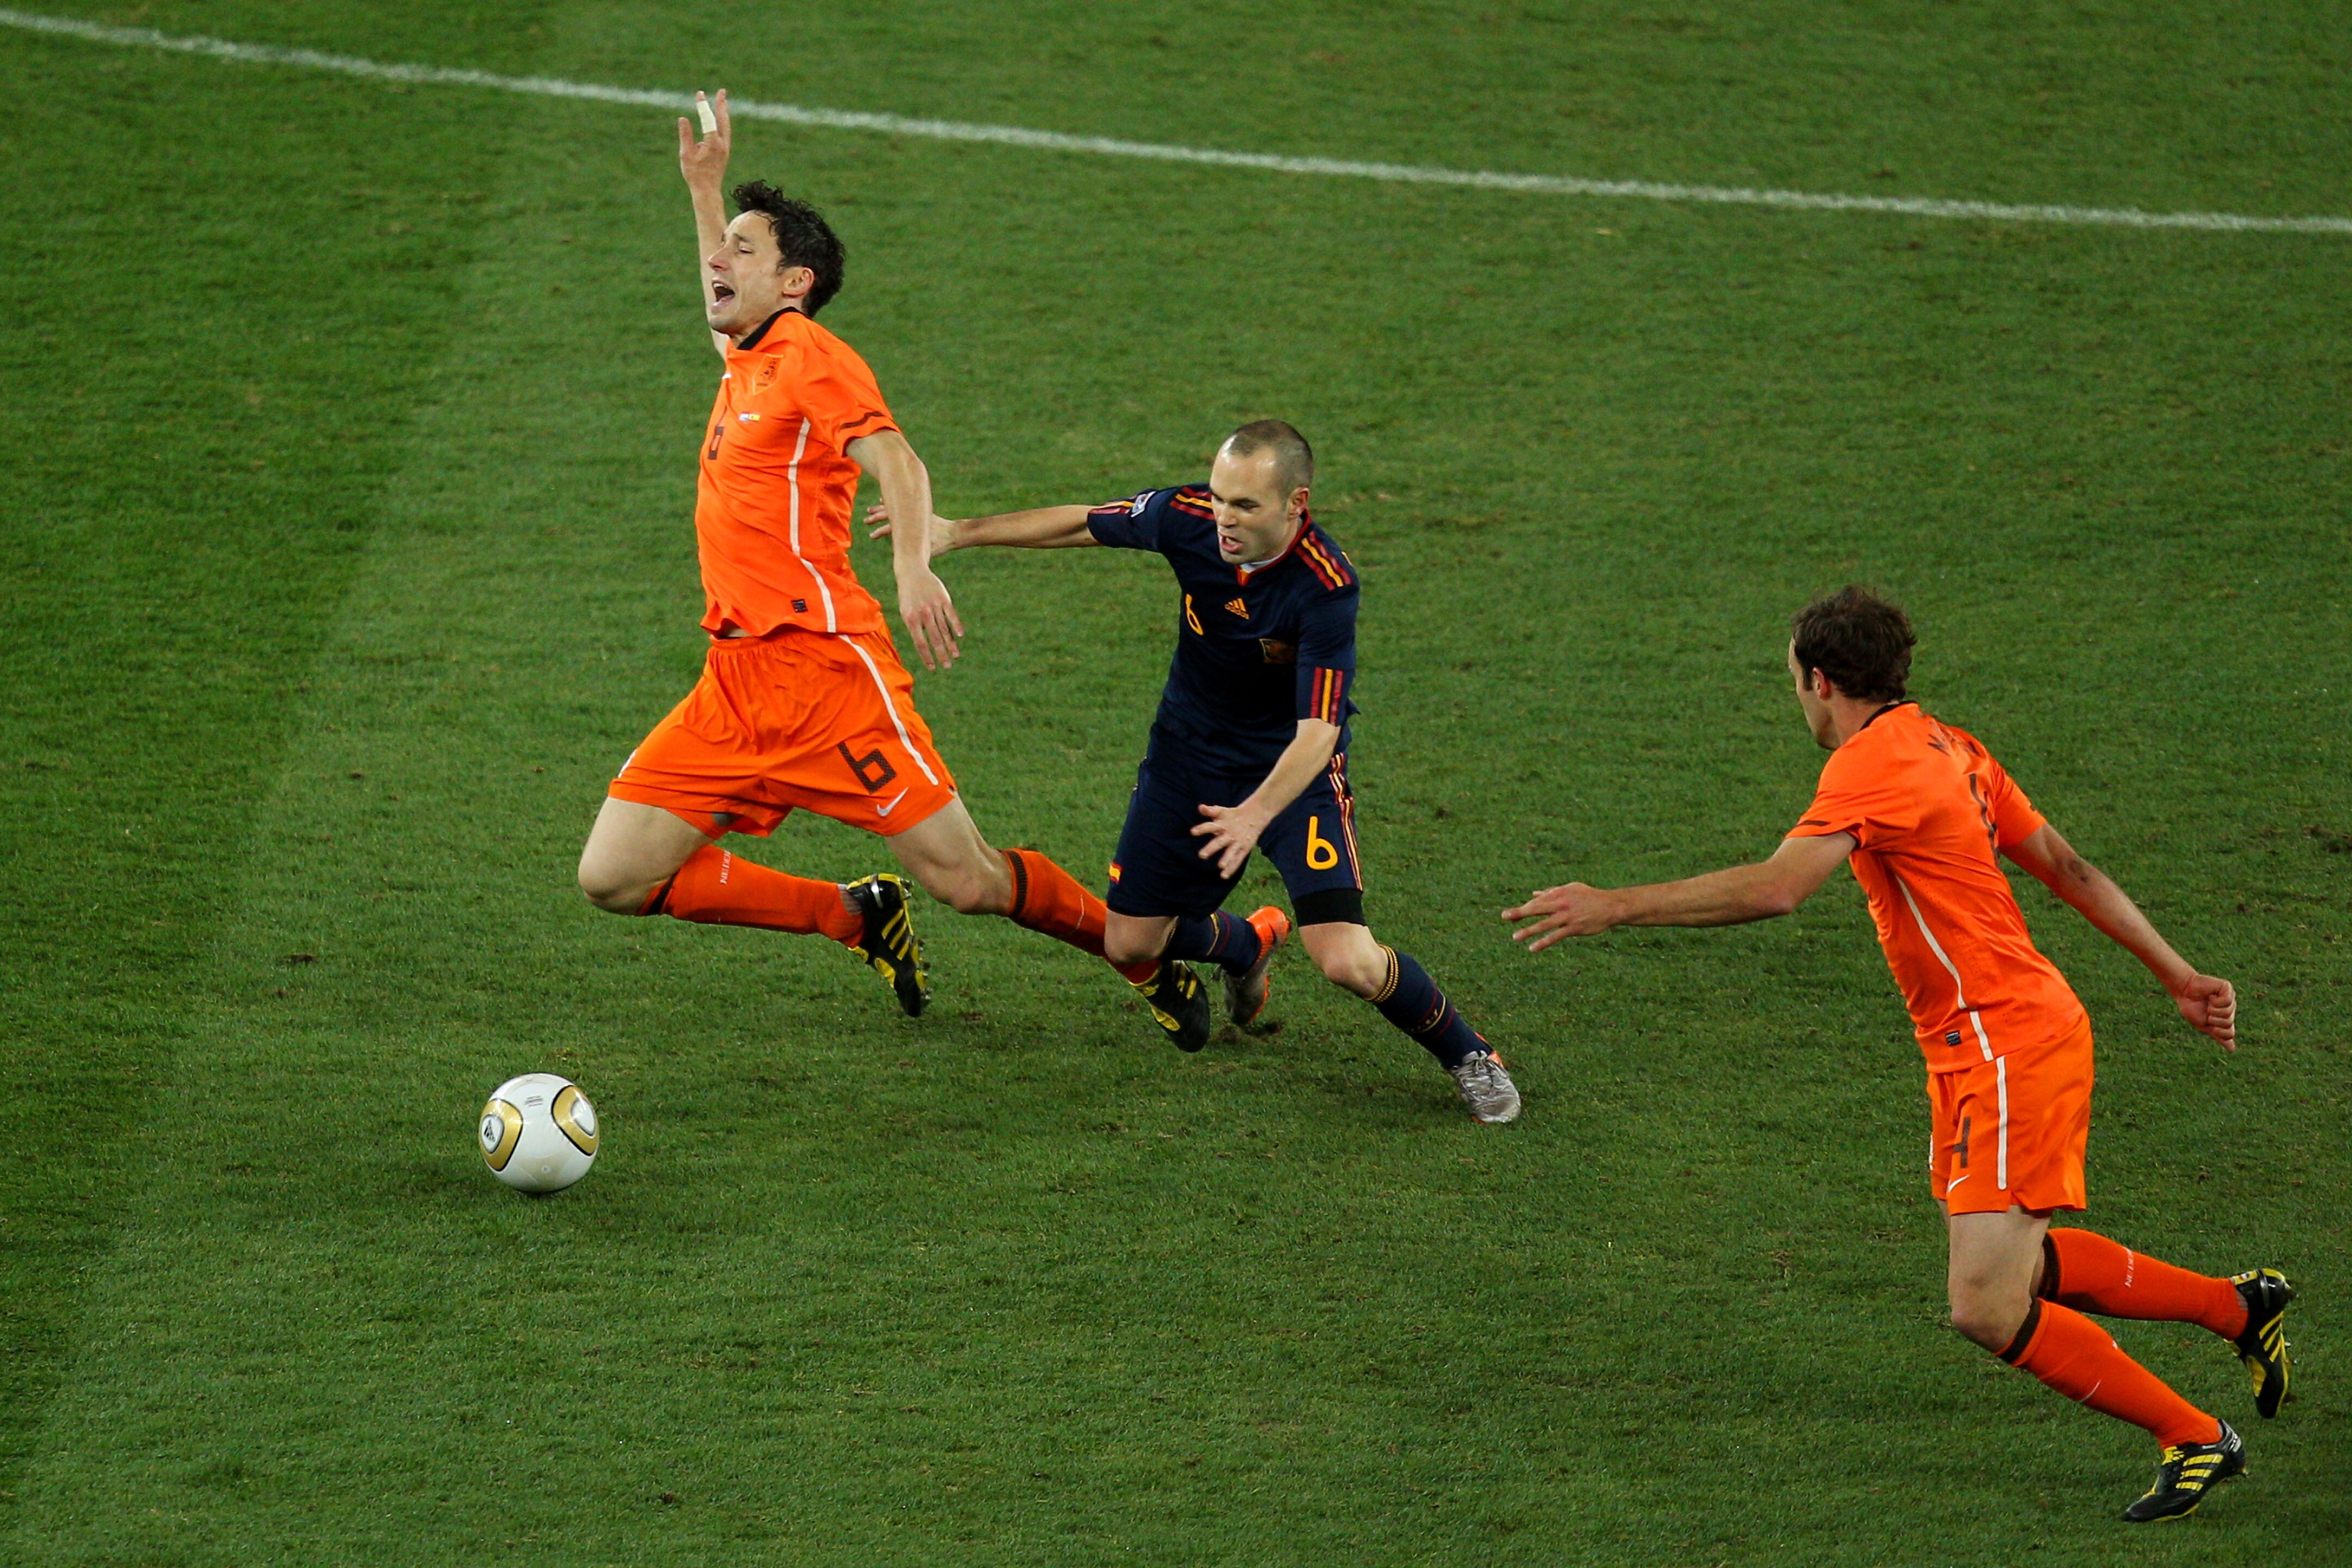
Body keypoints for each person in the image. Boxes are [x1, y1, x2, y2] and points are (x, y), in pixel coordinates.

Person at [1503, 586, 2291, 1521]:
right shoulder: (1951, 746)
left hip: (2008, 1043)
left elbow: (1778, 889)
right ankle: (2237, 1308)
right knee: (2012, 1264)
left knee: (1984, 1306)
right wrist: (2178, 974)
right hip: (1984, 1042)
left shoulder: (1870, 765)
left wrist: (1615, 903)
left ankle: (2196, 1436)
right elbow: (2069, 868)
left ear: (1822, 680)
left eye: (1795, 680)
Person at [575, 90, 1118, 1013]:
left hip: (829, 676)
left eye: (746, 250)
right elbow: (719, 304)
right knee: (614, 876)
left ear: (796, 283)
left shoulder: (811, 357)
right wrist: (704, 192)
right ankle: (851, 915)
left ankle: (1157, 947)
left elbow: (895, 458)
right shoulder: (750, 356)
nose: (719, 262)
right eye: (724, 248)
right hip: (736, 685)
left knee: (971, 882)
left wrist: (913, 566)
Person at [873, 421, 1520, 1123]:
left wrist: (1254, 814)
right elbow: (1085, 525)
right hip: (1187, 759)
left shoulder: (1325, 588)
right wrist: (955, 532)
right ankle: (1246, 943)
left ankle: (1470, 1055)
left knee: (1345, 959)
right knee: (1129, 943)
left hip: (1292, 779)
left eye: (1245, 506)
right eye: (1218, 498)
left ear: (1295, 504)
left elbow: (1318, 730)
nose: (1224, 519)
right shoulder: (1188, 520)